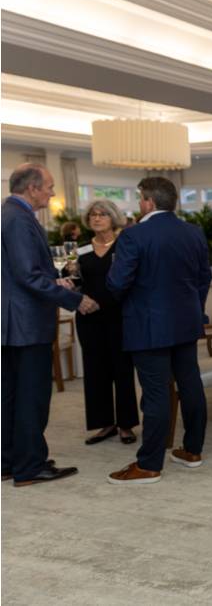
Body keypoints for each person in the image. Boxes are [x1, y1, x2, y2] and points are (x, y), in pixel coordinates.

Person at [106, 176, 212, 484]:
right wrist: (193, 308)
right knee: (190, 385)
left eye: (141, 198)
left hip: (148, 324)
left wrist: (126, 300)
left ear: (149, 202)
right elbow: (204, 278)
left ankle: (149, 465)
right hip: (186, 322)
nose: (139, 203)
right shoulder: (193, 232)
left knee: (155, 394)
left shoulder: (133, 235)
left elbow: (117, 282)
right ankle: (192, 450)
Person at [2, 163, 98, 486]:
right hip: (25, 324)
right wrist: (73, 299)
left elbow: (18, 273)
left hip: (12, 323)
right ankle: (30, 466)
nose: (52, 193)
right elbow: (28, 276)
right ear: (32, 188)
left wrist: (54, 281)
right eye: (49, 187)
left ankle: (10, 461)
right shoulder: (19, 219)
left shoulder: (8, 214)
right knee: (32, 397)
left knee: (11, 396)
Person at [71, 200, 139, 445]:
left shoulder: (125, 245)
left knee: (122, 370)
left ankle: (126, 424)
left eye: (103, 214)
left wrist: (103, 302)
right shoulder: (80, 250)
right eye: (93, 215)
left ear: (113, 218)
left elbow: (132, 281)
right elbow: (76, 282)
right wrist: (69, 278)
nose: (97, 218)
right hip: (89, 317)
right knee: (95, 371)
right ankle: (105, 424)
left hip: (119, 315)